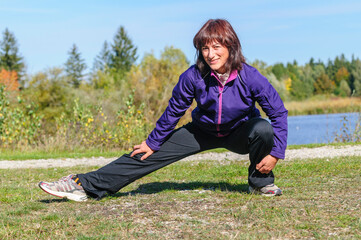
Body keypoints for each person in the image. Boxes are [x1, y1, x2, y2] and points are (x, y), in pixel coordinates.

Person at [39, 19, 288, 202]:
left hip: (239, 132)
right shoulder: (194, 76)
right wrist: (153, 141)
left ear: (230, 46)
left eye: (216, 47)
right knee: (146, 154)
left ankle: (260, 184)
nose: (210, 55)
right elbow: (174, 111)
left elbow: (278, 113)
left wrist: (276, 152)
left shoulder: (250, 76)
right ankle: (83, 184)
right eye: (205, 48)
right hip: (201, 131)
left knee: (263, 128)